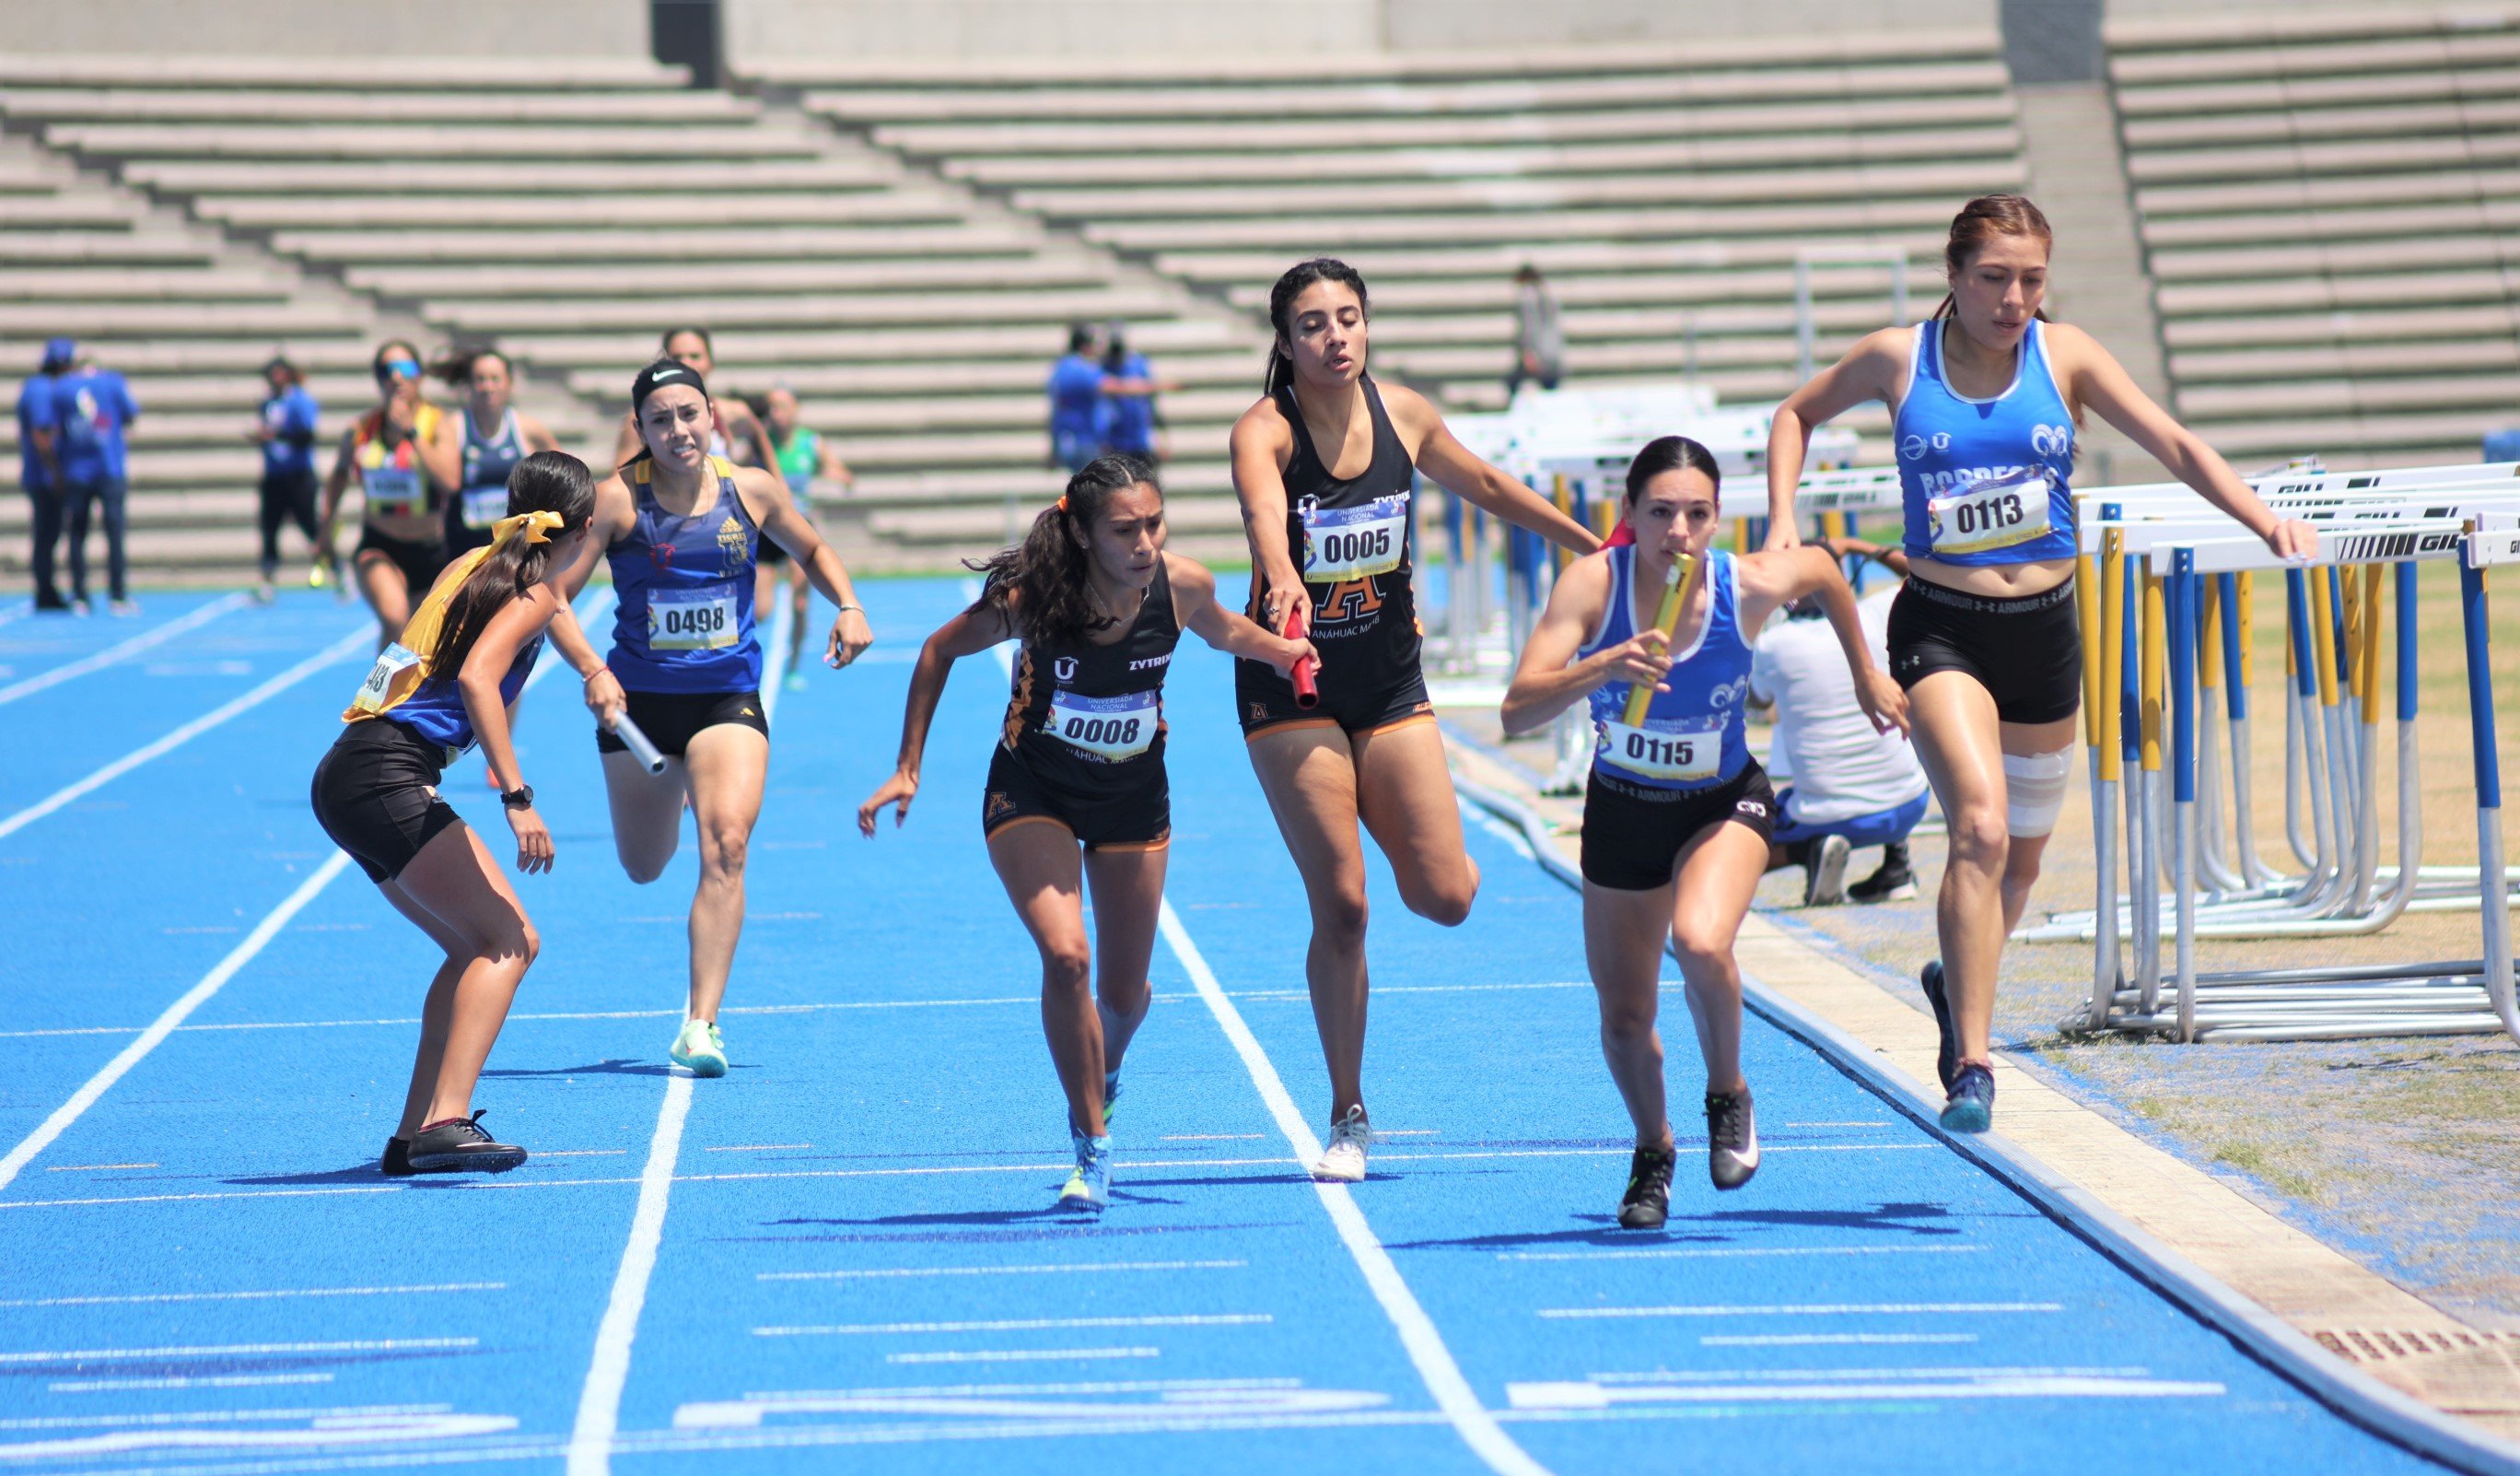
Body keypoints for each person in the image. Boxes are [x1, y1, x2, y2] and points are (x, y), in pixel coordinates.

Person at [1762, 194, 2314, 1130]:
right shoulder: (1900, 357)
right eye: (1993, 279)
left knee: (2019, 865)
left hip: (2048, 631)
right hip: (1940, 627)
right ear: (1953, 274)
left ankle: (1955, 978)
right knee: (1976, 828)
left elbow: (2174, 442)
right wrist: (1782, 522)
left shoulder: (2069, 357)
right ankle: (1972, 1065)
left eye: (2031, 280)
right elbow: (1794, 414)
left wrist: (2263, 518)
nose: (2013, 299)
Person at [858, 454, 1313, 1212]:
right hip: (1033, 786)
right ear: (1082, 534)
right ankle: (1092, 1143)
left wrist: (1283, 649)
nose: (1144, 544)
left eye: (1154, 526)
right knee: (1067, 957)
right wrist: (909, 767)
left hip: (1133, 795)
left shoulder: (1183, 583)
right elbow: (938, 650)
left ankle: (1102, 1068)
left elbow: (1225, 630)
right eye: (1125, 530)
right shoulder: (1036, 600)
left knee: (1125, 997)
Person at [1232, 257, 1599, 1181]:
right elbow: (1264, 512)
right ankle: (1349, 1111)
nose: (1335, 337)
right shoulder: (1265, 431)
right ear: (1285, 342)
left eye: (1348, 318)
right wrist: (1280, 574)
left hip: (1391, 682)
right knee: (1346, 905)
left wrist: (1594, 544)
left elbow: (1484, 484)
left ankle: (1391, 817)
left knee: (1446, 897)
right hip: (1294, 685)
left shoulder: (1407, 412)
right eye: (1312, 325)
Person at [1503, 436, 1905, 1223]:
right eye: (1659, 514)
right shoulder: (1593, 586)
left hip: (1722, 802)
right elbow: (1518, 710)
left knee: (1700, 939)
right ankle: (1654, 1149)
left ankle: (1729, 1091)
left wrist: (1867, 673)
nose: (1677, 533)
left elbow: (1822, 569)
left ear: (1718, 521)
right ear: (1628, 517)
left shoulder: (1744, 586)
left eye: (1696, 515)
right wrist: (1603, 667)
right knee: (1624, 1020)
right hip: (1622, 808)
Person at [552, 358, 874, 1079]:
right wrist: (593, 671)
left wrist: (847, 605)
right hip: (636, 707)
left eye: (689, 414)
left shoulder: (751, 490)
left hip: (727, 696)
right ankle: (669, 798)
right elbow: (551, 597)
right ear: (640, 429)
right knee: (644, 866)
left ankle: (700, 1024)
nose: (678, 430)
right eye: (660, 419)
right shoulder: (614, 502)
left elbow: (813, 546)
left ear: (712, 418)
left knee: (726, 843)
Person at [309, 450, 596, 1176]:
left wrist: (596, 671)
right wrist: (516, 794)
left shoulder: (474, 562)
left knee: (473, 946)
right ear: (584, 530)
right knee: (510, 940)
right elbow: (478, 678)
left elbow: (545, 616)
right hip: (388, 773)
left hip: (349, 769)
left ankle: (412, 1136)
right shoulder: (532, 592)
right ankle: (445, 1119)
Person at [1751, 580, 1931, 906]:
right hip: (1910, 802)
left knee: (1743, 837)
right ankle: (1897, 867)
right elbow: (1922, 572)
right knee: (1882, 748)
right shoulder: (1876, 613)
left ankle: (1807, 851)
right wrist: (1857, 548)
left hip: (1828, 813)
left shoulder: (1772, 644)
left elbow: (1756, 702)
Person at [321, 341, 449, 650]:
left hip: (431, 549)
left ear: (419, 375)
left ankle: (406, 697)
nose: (396, 379)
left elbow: (450, 480)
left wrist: (411, 433)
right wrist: (325, 529)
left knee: (424, 642)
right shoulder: (360, 430)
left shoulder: (437, 424)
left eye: (405, 369)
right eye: (386, 371)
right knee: (395, 618)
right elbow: (339, 475)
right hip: (381, 545)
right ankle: (381, 700)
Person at [759, 384, 855, 691]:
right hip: (764, 531)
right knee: (761, 611)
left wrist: (836, 476)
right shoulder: (761, 442)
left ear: (795, 410)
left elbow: (839, 471)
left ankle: (793, 664)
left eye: (783, 406)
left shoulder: (810, 443)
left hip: (798, 528)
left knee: (800, 602)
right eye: (772, 407)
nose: (778, 414)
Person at [434, 347, 561, 561]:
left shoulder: (527, 429)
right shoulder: (452, 428)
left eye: (495, 379)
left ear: (509, 383)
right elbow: (444, 481)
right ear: (469, 385)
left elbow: (565, 476)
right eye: (480, 379)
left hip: (515, 552)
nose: (488, 387)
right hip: (464, 550)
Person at [46, 345, 141, 615]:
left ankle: (80, 595)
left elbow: (53, 429)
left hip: (76, 470)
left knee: (77, 534)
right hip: (109, 468)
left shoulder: (62, 388)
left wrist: (56, 469)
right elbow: (130, 415)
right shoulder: (112, 382)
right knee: (114, 533)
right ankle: (118, 595)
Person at [607, 327, 773, 473]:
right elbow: (619, 481)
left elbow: (775, 476)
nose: (686, 363)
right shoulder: (642, 419)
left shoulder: (736, 413)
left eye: (695, 356)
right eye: (677, 356)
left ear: (711, 363)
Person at [251, 357, 324, 603]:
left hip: (298, 476)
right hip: (274, 476)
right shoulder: (267, 403)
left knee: (311, 527)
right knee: (269, 529)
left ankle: (336, 571)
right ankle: (267, 579)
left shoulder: (300, 400)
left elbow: (307, 435)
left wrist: (276, 435)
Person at [15, 340, 67, 611]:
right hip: (42, 476)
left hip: (40, 474)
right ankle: (45, 590)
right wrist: (55, 472)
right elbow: (41, 435)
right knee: (46, 534)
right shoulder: (42, 390)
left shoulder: (38, 387)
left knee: (48, 535)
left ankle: (46, 588)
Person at [1096, 323, 1175, 462]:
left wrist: (1162, 437)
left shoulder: (1137, 364)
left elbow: (1152, 403)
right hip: (1113, 441)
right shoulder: (1101, 368)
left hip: (1139, 440)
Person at [1047, 323, 1105, 474]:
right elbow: (1109, 386)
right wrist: (1153, 386)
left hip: (1068, 437)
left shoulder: (1062, 366)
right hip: (1082, 438)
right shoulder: (1079, 368)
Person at [1508, 264, 1565, 398]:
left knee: (1514, 383)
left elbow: (1529, 326)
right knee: (1550, 388)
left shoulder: (1528, 296)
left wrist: (1528, 351)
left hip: (1537, 352)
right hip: (1552, 351)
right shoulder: (1549, 294)